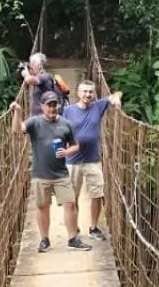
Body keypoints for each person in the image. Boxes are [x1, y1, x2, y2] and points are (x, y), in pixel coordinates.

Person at [11, 92, 91, 252]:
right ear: (42, 106)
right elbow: (17, 129)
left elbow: (75, 145)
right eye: (49, 105)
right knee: (43, 207)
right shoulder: (35, 122)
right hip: (41, 174)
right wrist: (18, 112)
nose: (52, 108)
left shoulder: (66, 124)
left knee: (70, 204)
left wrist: (66, 152)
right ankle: (44, 239)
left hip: (61, 174)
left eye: (55, 105)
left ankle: (73, 239)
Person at [63, 82, 122, 240]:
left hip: (93, 159)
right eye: (85, 91)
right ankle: (74, 228)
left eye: (90, 92)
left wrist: (116, 99)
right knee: (72, 197)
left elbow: (116, 94)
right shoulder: (68, 111)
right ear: (78, 93)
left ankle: (93, 227)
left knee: (97, 194)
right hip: (73, 160)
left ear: (94, 94)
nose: (88, 94)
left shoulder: (98, 106)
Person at [21, 52, 59, 117]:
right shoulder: (41, 76)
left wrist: (26, 74)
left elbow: (29, 80)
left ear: (39, 66)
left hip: (43, 116)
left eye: (32, 64)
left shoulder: (44, 77)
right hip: (39, 116)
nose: (31, 67)